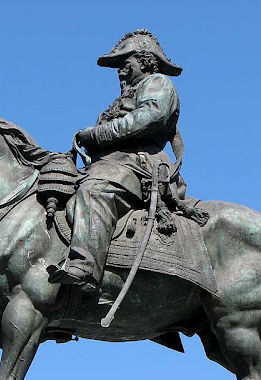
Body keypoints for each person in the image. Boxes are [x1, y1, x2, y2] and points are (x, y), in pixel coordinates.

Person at [47, 29, 185, 292]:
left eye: (126, 64)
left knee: (94, 191)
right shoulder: (126, 95)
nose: (121, 71)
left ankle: (84, 268)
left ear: (145, 61)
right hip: (114, 162)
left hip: (139, 164)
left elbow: (150, 118)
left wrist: (96, 134)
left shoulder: (157, 83)